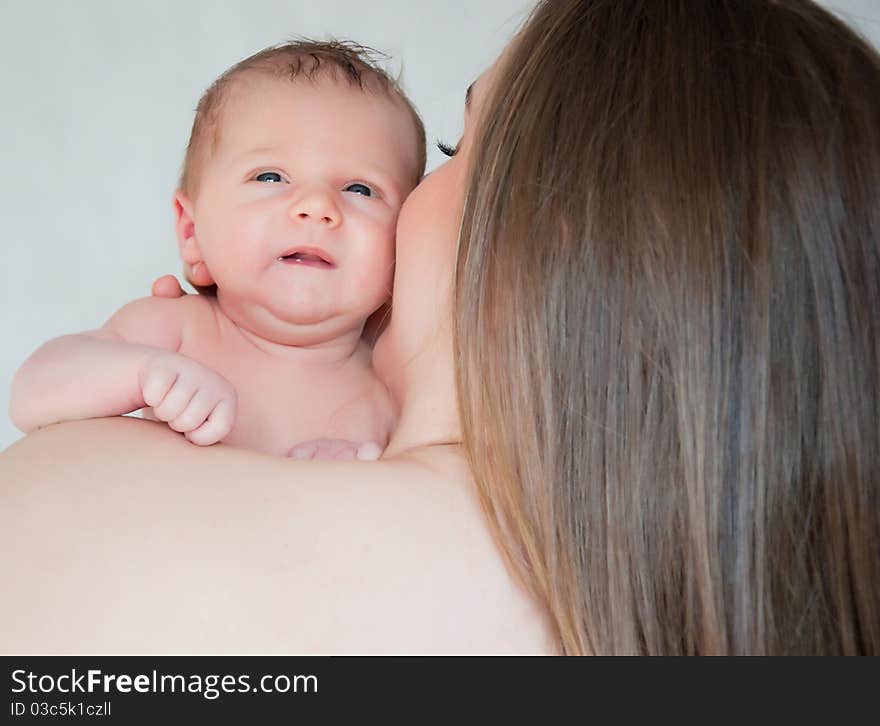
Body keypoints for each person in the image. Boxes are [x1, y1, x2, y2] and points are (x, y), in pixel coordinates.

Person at [1, 0, 878, 654]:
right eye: (270, 179)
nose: (320, 213)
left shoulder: (81, 508)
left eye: (455, 152)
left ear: (557, 240)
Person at [9, 40, 425, 460]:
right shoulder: (177, 330)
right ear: (192, 231)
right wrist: (142, 374)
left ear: (407, 241)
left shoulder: (395, 383)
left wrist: (357, 471)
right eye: (270, 177)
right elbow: (32, 394)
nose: (317, 207)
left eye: (360, 189)